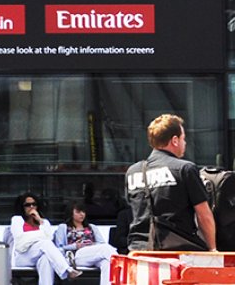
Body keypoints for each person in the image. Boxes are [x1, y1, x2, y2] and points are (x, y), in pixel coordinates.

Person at [124, 114, 216, 252]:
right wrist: (213, 249)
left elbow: (134, 211)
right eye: (183, 139)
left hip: (139, 251)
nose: (185, 143)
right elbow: (204, 214)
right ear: (175, 140)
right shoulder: (184, 169)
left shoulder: (133, 171)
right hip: (177, 250)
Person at [5, 193, 80, 284]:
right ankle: (67, 270)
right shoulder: (17, 220)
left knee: (46, 259)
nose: (31, 207)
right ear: (22, 207)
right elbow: (20, 242)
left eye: (34, 204)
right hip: (23, 256)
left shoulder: (44, 222)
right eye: (27, 205)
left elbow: (49, 237)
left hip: (40, 254)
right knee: (44, 244)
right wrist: (40, 235)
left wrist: (39, 220)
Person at [61, 203, 117, 284]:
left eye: (83, 212)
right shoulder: (63, 227)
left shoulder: (91, 227)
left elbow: (101, 243)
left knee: (106, 262)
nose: (82, 214)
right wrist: (75, 246)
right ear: (70, 213)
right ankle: (122, 266)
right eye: (78, 212)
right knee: (106, 249)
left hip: (93, 254)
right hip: (77, 255)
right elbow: (59, 247)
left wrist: (93, 244)